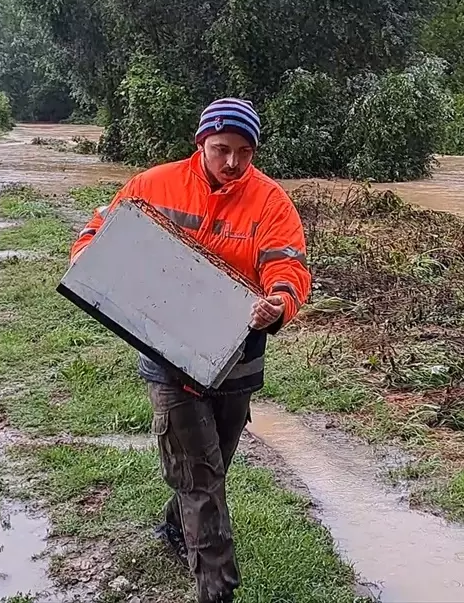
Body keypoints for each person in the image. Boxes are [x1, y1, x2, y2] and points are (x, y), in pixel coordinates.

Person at [69, 98, 311, 603]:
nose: (232, 163)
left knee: (212, 461)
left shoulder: (271, 202)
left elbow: (289, 266)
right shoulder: (152, 185)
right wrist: (96, 263)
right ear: (200, 143)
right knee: (202, 477)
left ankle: (176, 529)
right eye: (222, 149)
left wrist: (279, 302)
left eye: (244, 152)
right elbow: (99, 234)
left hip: (236, 357)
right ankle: (216, 588)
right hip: (166, 353)